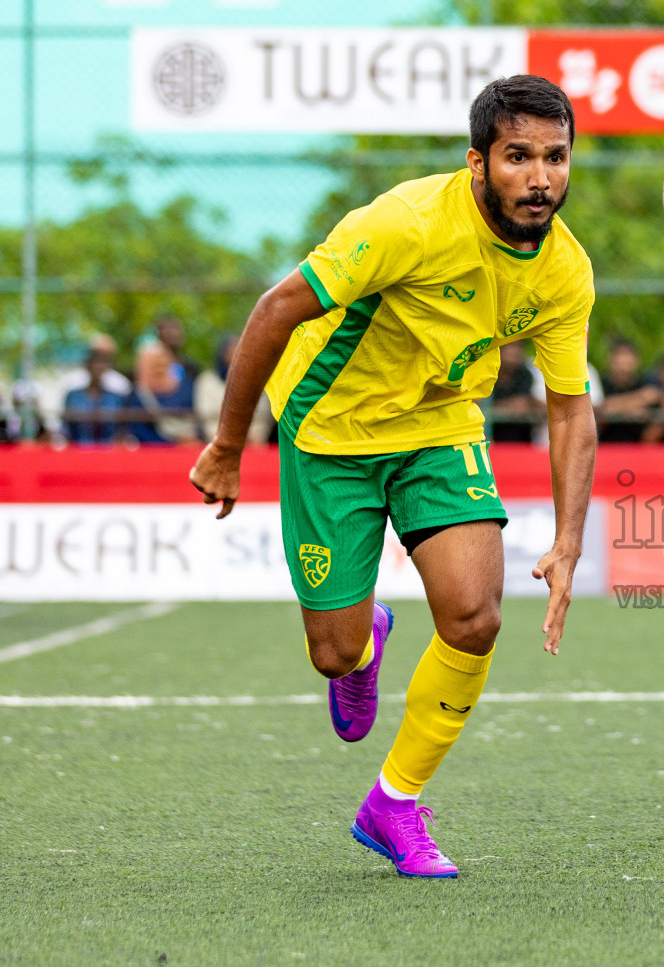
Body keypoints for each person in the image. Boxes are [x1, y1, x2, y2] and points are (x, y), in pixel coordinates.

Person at [189, 75, 597, 879]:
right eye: (518, 157)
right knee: (333, 655)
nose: (540, 178)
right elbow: (275, 310)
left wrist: (568, 540)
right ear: (478, 162)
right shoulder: (405, 224)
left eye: (555, 157)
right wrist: (230, 445)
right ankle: (363, 640)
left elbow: (569, 409)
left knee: (474, 618)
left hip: (440, 430)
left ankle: (394, 803)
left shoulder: (564, 270)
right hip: (331, 431)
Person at [126, 339, 200, 444]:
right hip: (158, 448)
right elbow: (139, 430)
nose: (160, 363)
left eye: (163, 358)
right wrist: (173, 443)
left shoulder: (187, 386)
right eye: (154, 361)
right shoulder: (138, 395)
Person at [62, 347, 127, 444]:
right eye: (94, 362)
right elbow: (65, 427)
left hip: (108, 448)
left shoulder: (115, 398)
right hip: (78, 447)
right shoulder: (73, 396)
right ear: (87, 365)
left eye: (102, 363)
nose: (98, 367)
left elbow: (121, 429)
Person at [597, 339, 658, 443]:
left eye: (627, 355)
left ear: (637, 360)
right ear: (609, 359)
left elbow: (652, 397)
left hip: (638, 447)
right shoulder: (600, 383)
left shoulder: (645, 383)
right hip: (605, 446)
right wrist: (636, 402)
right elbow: (600, 411)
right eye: (619, 355)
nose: (623, 361)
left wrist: (615, 408)